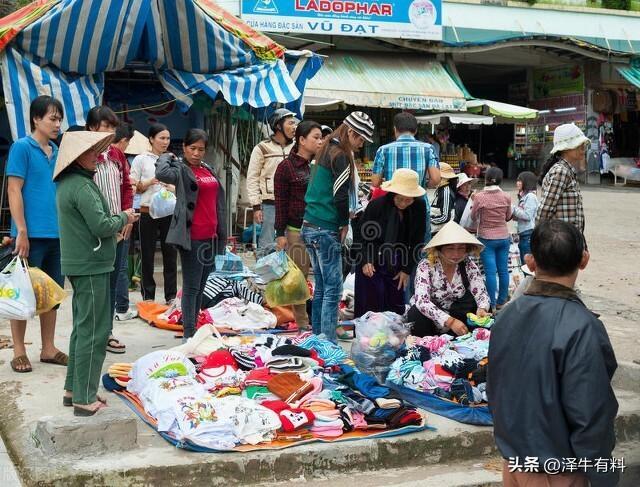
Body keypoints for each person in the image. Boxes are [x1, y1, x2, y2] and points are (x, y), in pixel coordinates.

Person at [488, 219, 618, 487]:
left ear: (530, 261)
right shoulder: (583, 326)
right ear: (584, 260)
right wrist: (603, 477)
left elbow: (495, 391)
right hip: (559, 470)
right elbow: (590, 415)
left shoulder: (506, 316)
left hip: (514, 463)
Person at [54, 131, 138, 415]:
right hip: (91, 265)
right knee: (95, 331)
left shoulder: (72, 183)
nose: (98, 157)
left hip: (84, 263)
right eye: (92, 153)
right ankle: (84, 397)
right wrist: (125, 217)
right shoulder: (80, 186)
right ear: (77, 157)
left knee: (83, 328)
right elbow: (102, 226)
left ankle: (73, 389)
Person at [6, 95, 67, 373]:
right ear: (36, 119)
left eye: (59, 119)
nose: (57, 124)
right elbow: (14, 189)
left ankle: (48, 347)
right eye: (52, 118)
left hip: (57, 234)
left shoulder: (56, 151)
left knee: (51, 293)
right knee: (21, 292)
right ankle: (19, 351)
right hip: (29, 235)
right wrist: (21, 230)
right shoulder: (22, 147)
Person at [302, 111, 375, 342]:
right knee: (332, 288)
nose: (361, 145)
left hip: (310, 224)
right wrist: (344, 223)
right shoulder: (341, 154)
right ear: (351, 133)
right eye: (361, 139)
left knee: (322, 287)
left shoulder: (325, 147)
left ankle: (317, 338)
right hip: (325, 227)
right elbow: (340, 195)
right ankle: (327, 343)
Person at [155, 129, 227, 340]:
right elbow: (161, 174)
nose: (196, 153)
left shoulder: (207, 169)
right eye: (192, 148)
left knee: (202, 286)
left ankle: (193, 328)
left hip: (211, 236)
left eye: (201, 149)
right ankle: (189, 333)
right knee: (191, 287)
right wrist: (166, 156)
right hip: (193, 236)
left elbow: (218, 203)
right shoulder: (180, 169)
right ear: (185, 148)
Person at [85, 106, 135, 354]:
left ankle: (106, 333)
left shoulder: (116, 154)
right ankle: (90, 334)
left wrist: (127, 217)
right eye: (106, 126)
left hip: (119, 227)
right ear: (92, 127)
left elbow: (127, 187)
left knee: (113, 282)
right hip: (93, 232)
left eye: (113, 128)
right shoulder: (83, 154)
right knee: (94, 286)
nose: (110, 132)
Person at [353, 169, 426, 318]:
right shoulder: (377, 205)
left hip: (398, 259)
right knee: (370, 303)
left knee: (394, 304)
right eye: (400, 199)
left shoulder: (418, 207)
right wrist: (366, 260)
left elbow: (417, 241)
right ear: (393, 193)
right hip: (372, 255)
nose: (403, 203)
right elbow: (361, 237)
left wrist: (406, 270)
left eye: (408, 200)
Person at [274, 120, 323, 330]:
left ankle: (319, 319)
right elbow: (280, 202)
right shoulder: (286, 167)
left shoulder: (319, 165)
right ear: (302, 140)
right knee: (299, 279)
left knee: (322, 276)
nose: (320, 142)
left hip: (320, 229)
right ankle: (303, 324)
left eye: (321, 138)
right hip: (296, 231)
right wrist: (280, 233)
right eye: (316, 137)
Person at [408, 221, 490, 337]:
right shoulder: (426, 266)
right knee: (415, 313)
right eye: (450, 249)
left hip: (458, 313)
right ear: (439, 249)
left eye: (461, 248)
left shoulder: (468, 264)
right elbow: (422, 301)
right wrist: (450, 321)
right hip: (433, 318)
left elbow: (481, 292)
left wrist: (482, 309)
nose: (456, 254)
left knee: (483, 309)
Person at [371, 111, 440, 242]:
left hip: (393, 204)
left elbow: (375, 182)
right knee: (419, 248)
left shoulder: (383, 150)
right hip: (419, 203)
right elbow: (436, 179)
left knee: (392, 246)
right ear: (415, 130)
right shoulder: (428, 149)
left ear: (395, 129)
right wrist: (422, 185)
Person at [130, 123, 177, 304]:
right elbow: (134, 187)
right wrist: (151, 181)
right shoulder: (141, 159)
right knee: (147, 254)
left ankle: (171, 295)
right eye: (161, 138)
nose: (165, 142)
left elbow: (179, 186)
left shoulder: (173, 159)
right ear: (151, 139)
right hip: (147, 211)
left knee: (170, 254)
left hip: (169, 212)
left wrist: (171, 186)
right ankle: (148, 296)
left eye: (167, 138)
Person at [247, 108, 297, 248]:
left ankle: (289, 270)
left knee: (291, 243)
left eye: (295, 123)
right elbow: (252, 178)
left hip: (293, 203)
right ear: (278, 126)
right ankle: (264, 269)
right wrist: (256, 206)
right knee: (267, 243)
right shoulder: (262, 148)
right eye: (290, 123)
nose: (294, 127)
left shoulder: (297, 148)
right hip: (269, 204)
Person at [471, 167, 512, 311]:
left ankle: (491, 305)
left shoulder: (479, 197)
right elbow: (508, 217)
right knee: (503, 271)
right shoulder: (506, 196)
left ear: (486, 179)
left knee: (490, 272)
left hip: (486, 238)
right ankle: (502, 301)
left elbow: (473, 216)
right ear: (500, 180)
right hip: (504, 237)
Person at [536, 123, 588, 233]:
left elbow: (577, 217)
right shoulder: (561, 172)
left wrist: (581, 245)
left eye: (583, 144)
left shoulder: (568, 171)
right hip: (560, 242)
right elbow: (544, 210)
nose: (583, 148)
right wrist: (537, 241)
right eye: (579, 145)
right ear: (565, 149)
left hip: (570, 241)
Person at [110, 123, 138, 320]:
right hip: (113, 221)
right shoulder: (105, 158)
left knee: (119, 267)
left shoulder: (120, 159)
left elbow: (128, 188)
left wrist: (128, 215)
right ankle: (121, 308)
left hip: (123, 217)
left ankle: (119, 308)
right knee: (118, 268)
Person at [511, 171, 539, 264]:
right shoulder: (524, 196)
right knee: (524, 263)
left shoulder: (530, 196)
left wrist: (513, 208)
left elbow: (527, 215)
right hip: (524, 233)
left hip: (528, 233)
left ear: (527, 182)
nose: (517, 183)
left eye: (520, 181)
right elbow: (521, 215)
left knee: (527, 264)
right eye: (517, 180)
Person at [429, 162, 457, 234]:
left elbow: (445, 217)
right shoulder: (441, 189)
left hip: (441, 232)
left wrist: (428, 219)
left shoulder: (446, 192)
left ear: (445, 178)